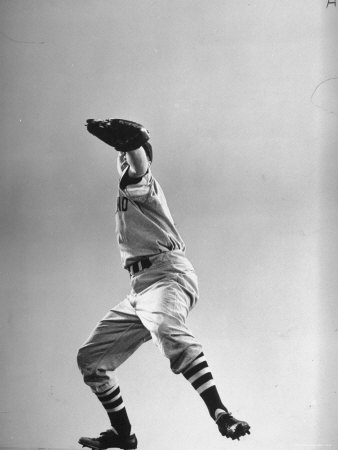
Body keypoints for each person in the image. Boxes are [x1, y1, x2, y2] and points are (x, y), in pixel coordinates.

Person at [77, 120, 250, 449]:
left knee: (167, 328)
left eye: (127, 155)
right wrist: (128, 147)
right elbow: (133, 161)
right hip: (139, 290)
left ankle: (221, 412)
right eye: (121, 156)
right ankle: (124, 435)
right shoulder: (128, 190)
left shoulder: (142, 184)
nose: (125, 162)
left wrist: (133, 145)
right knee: (90, 359)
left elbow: (140, 163)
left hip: (166, 276)